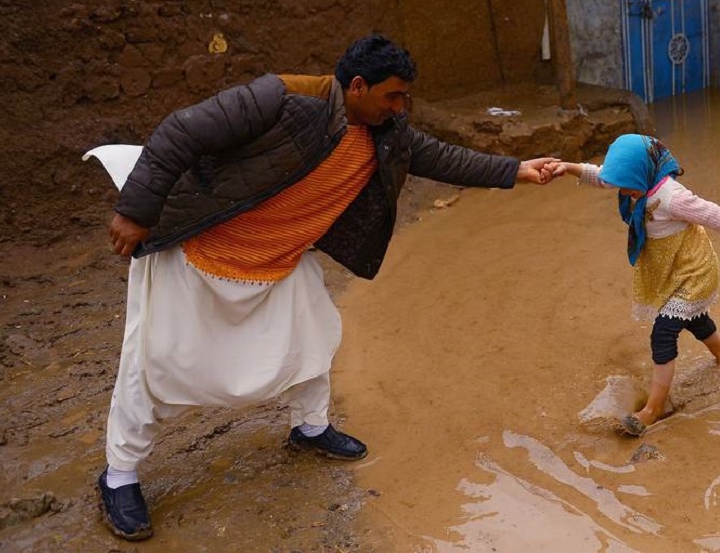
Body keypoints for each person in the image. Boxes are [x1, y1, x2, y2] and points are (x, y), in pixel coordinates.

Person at [96, 34, 560, 540]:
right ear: (357, 86)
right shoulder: (281, 98)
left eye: (404, 98)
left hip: (280, 261)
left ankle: (309, 427)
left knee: (314, 339)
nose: (401, 108)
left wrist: (517, 170)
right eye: (393, 96)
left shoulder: (387, 131)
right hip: (201, 251)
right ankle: (119, 475)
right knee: (153, 365)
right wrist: (134, 211)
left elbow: (442, 158)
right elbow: (178, 133)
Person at [553, 134, 720, 437]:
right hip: (671, 271)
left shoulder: (672, 198)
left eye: (625, 185)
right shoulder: (635, 183)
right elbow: (602, 177)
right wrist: (568, 167)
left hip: (694, 272)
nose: (621, 191)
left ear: (641, 175)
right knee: (695, 319)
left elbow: (715, 215)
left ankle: (653, 409)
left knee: (663, 332)